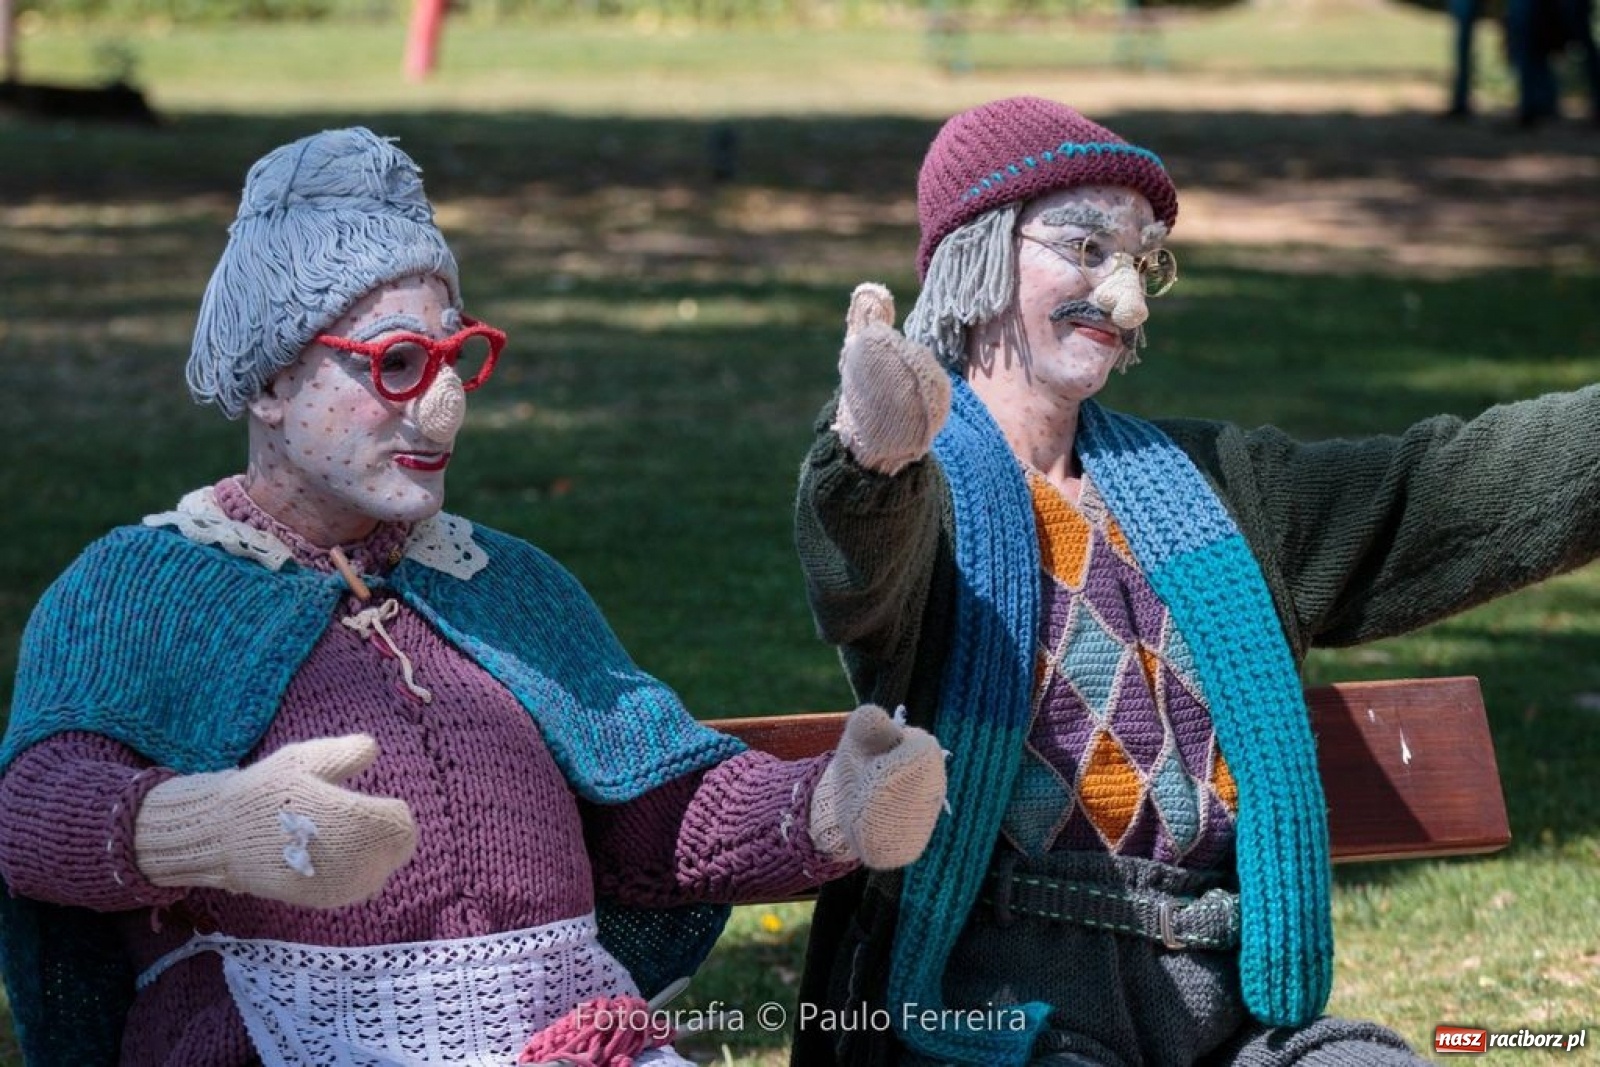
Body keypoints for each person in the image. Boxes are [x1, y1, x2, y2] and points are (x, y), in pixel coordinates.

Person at [0, 126, 947, 1067]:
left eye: (457, 358)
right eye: (396, 362)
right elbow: (34, 812)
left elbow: (650, 815)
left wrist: (828, 803)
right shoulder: (143, 587)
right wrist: (214, 827)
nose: (443, 403)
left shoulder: (506, 581)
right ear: (273, 379)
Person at [790, 95, 1600, 1066]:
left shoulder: (1218, 485)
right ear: (976, 249)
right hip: (995, 995)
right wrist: (868, 462)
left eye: (1142, 263)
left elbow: (1443, 495)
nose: (1124, 299)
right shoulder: (927, 491)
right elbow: (858, 570)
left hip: (1230, 1003)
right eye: (1088, 248)